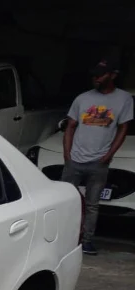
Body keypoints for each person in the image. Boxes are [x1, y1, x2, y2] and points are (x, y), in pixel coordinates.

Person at [62, 58, 133, 255]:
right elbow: (70, 126)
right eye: (94, 75)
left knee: (92, 204)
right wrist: (67, 154)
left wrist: (109, 155)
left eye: (100, 75)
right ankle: (62, 239)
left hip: (99, 161)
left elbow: (123, 128)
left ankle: (86, 241)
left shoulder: (124, 99)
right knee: (65, 201)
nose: (96, 78)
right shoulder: (82, 98)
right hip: (74, 159)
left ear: (112, 75)